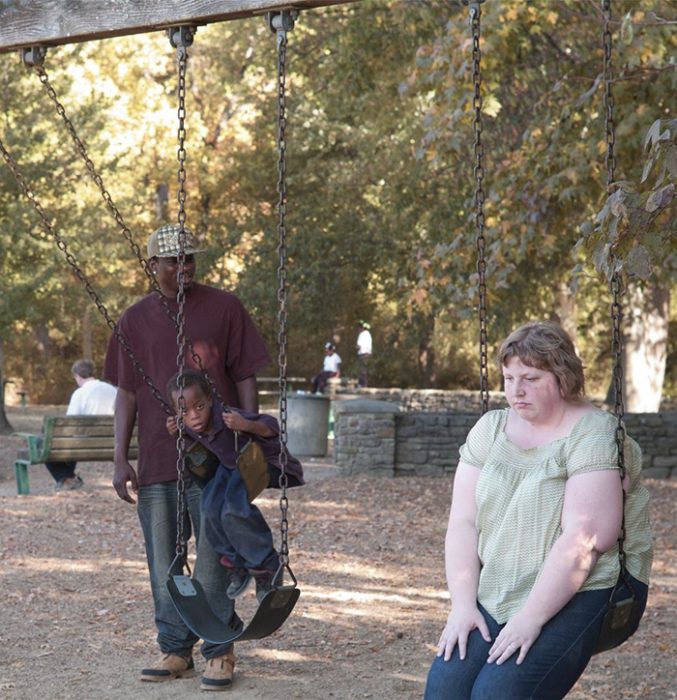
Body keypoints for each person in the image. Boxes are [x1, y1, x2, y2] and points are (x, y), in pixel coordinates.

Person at [424, 321, 652, 700]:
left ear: (563, 377)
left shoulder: (592, 433)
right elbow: (463, 522)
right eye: (509, 377)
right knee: (444, 690)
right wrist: (463, 607)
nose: (516, 390)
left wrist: (530, 619)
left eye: (530, 378)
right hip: (501, 584)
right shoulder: (490, 429)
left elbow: (586, 540)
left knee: (498, 695)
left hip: (586, 586)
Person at [104, 223, 272, 691]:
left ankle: (219, 648)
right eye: (173, 260)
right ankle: (176, 647)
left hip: (216, 456)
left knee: (215, 555)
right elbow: (126, 395)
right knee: (163, 560)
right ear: (152, 266)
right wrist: (120, 457)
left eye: (190, 258)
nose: (184, 267)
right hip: (158, 460)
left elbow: (245, 375)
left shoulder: (225, 307)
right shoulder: (134, 320)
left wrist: (248, 434)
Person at [165, 369, 304, 602]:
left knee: (233, 510)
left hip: (256, 460)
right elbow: (196, 446)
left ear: (210, 400)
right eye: (184, 411)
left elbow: (271, 426)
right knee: (208, 508)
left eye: (199, 407)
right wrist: (177, 434)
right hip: (228, 468)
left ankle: (267, 566)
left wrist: (246, 424)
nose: (194, 416)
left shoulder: (228, 416)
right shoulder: (188, 425)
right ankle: (235, 564)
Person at [45, 358, 117, 491]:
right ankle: (68, 478)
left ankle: (67, 478)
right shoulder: (113, 390)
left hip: (86, 444)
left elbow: (70, 426)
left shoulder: (80, 393)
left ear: (77, 376)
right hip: (115, 442)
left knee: (45, 442)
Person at [355, 321, 372, 388]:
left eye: (359, 327)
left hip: (362, 353)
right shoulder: (369, 334)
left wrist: (356, 348)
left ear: (362, 328)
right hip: (368, 354)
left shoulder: (362, 334)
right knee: (364, 369)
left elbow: (359, 346)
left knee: (361, 370)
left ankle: (362, 385)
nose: (358, 329)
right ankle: (364, 384)